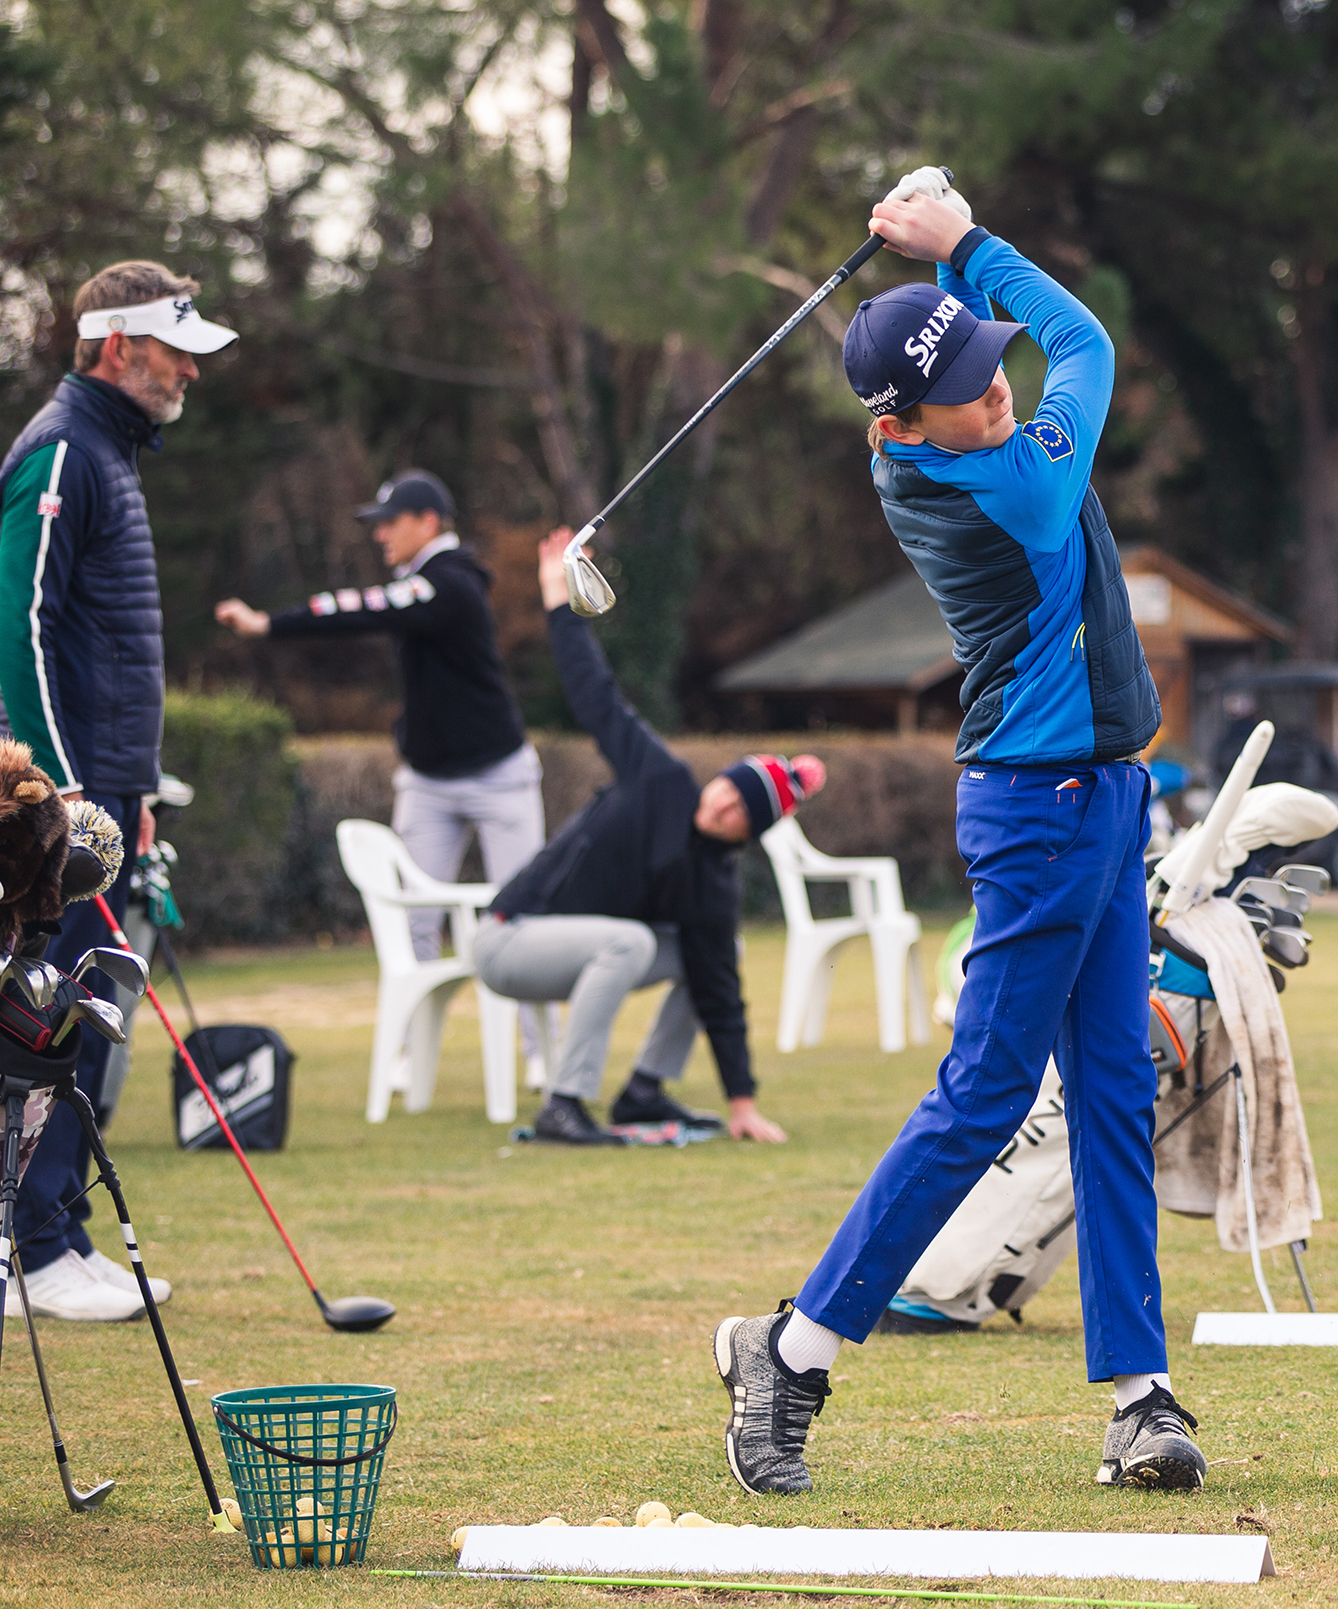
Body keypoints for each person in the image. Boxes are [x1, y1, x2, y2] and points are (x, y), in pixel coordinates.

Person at [708, 175, 1198, 1498]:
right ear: (900, 424)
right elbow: (1085, 339)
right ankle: (790, 1350)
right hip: (1041, 815)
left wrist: (945, 267)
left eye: (993, 369)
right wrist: (969, 239)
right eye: (969, 390)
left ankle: (1140, 1395)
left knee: (1114, 1091)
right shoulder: (1011, 487)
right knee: (984, 1093)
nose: (996, 395)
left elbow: (984, 354)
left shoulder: (942, 436)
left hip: (1104, 800)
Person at [0, 260, 235, 1322]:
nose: (190, 369)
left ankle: (62, 1228)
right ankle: (29, 1248)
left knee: (92, 1011)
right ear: (119, 346)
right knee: (50, 1020)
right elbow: (21, 630)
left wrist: (132, 789)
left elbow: (111, 649)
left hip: (106, 794)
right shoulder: (62, 448)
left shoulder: (110, 451)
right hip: (62, 810)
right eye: (176, 349)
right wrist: (60, 797)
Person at [473, 534, 806, 1146]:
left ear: (748, 834)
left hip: (585, 949)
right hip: (509, 937)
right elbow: (596, 697)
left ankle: (644, 1092)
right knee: (627, 941)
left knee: (712, 956)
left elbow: (722, 997)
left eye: (742, 811)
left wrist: (742, 1104)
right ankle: (563, 1104)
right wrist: (557, 599)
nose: (724, 805)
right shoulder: (663, 780)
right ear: (717, 780)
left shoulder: (714, 883)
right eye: (729, 789)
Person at [213, 470, 546, 1079]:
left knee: (522, 917)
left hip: (500, 777)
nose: (380, 535)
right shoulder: (420, 584)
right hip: (428, 782)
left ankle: (540, 1056)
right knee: (415, 923)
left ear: (428, 522)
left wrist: (271, 624)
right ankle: (412, 1058)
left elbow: (361, 608)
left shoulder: (450, 582)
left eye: (390, 523)